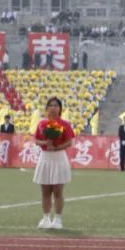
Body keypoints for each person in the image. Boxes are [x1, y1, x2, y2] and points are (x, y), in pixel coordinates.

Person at [33, 97, 75, 230]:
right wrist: (46, 143)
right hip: (45, 157)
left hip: (59, 157)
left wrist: (56, 147)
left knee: (58, 191)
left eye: (56, 105)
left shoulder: (65, 124)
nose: (53, 108)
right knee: (45, 191)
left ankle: (57, 219)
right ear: (47, 108)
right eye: (50, 105)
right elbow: (36, 140)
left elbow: (69, 142)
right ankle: (46, 218)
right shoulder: (42, 123)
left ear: (60, 108)